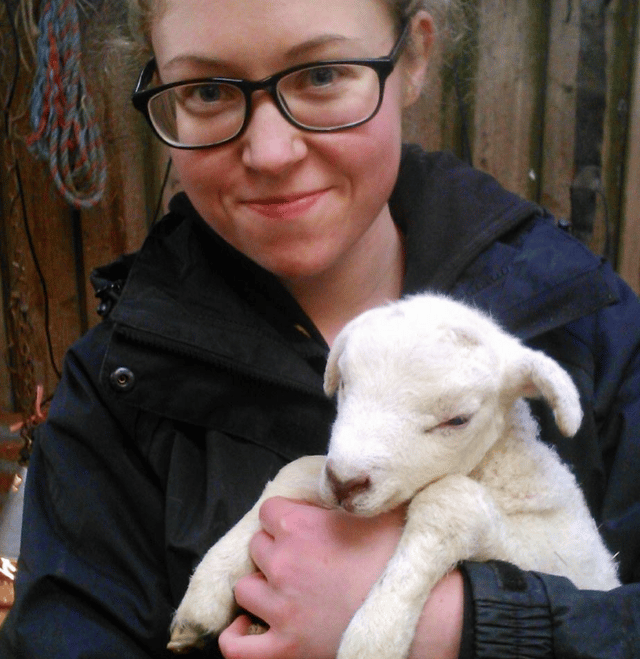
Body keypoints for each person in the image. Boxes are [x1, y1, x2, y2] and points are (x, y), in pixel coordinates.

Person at [1, 0, 639, 656]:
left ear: (413, 58)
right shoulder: (112, 396)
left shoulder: (584, 320)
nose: (272, 152)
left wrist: (462, 624)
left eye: (323, 75)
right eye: (210, 90)